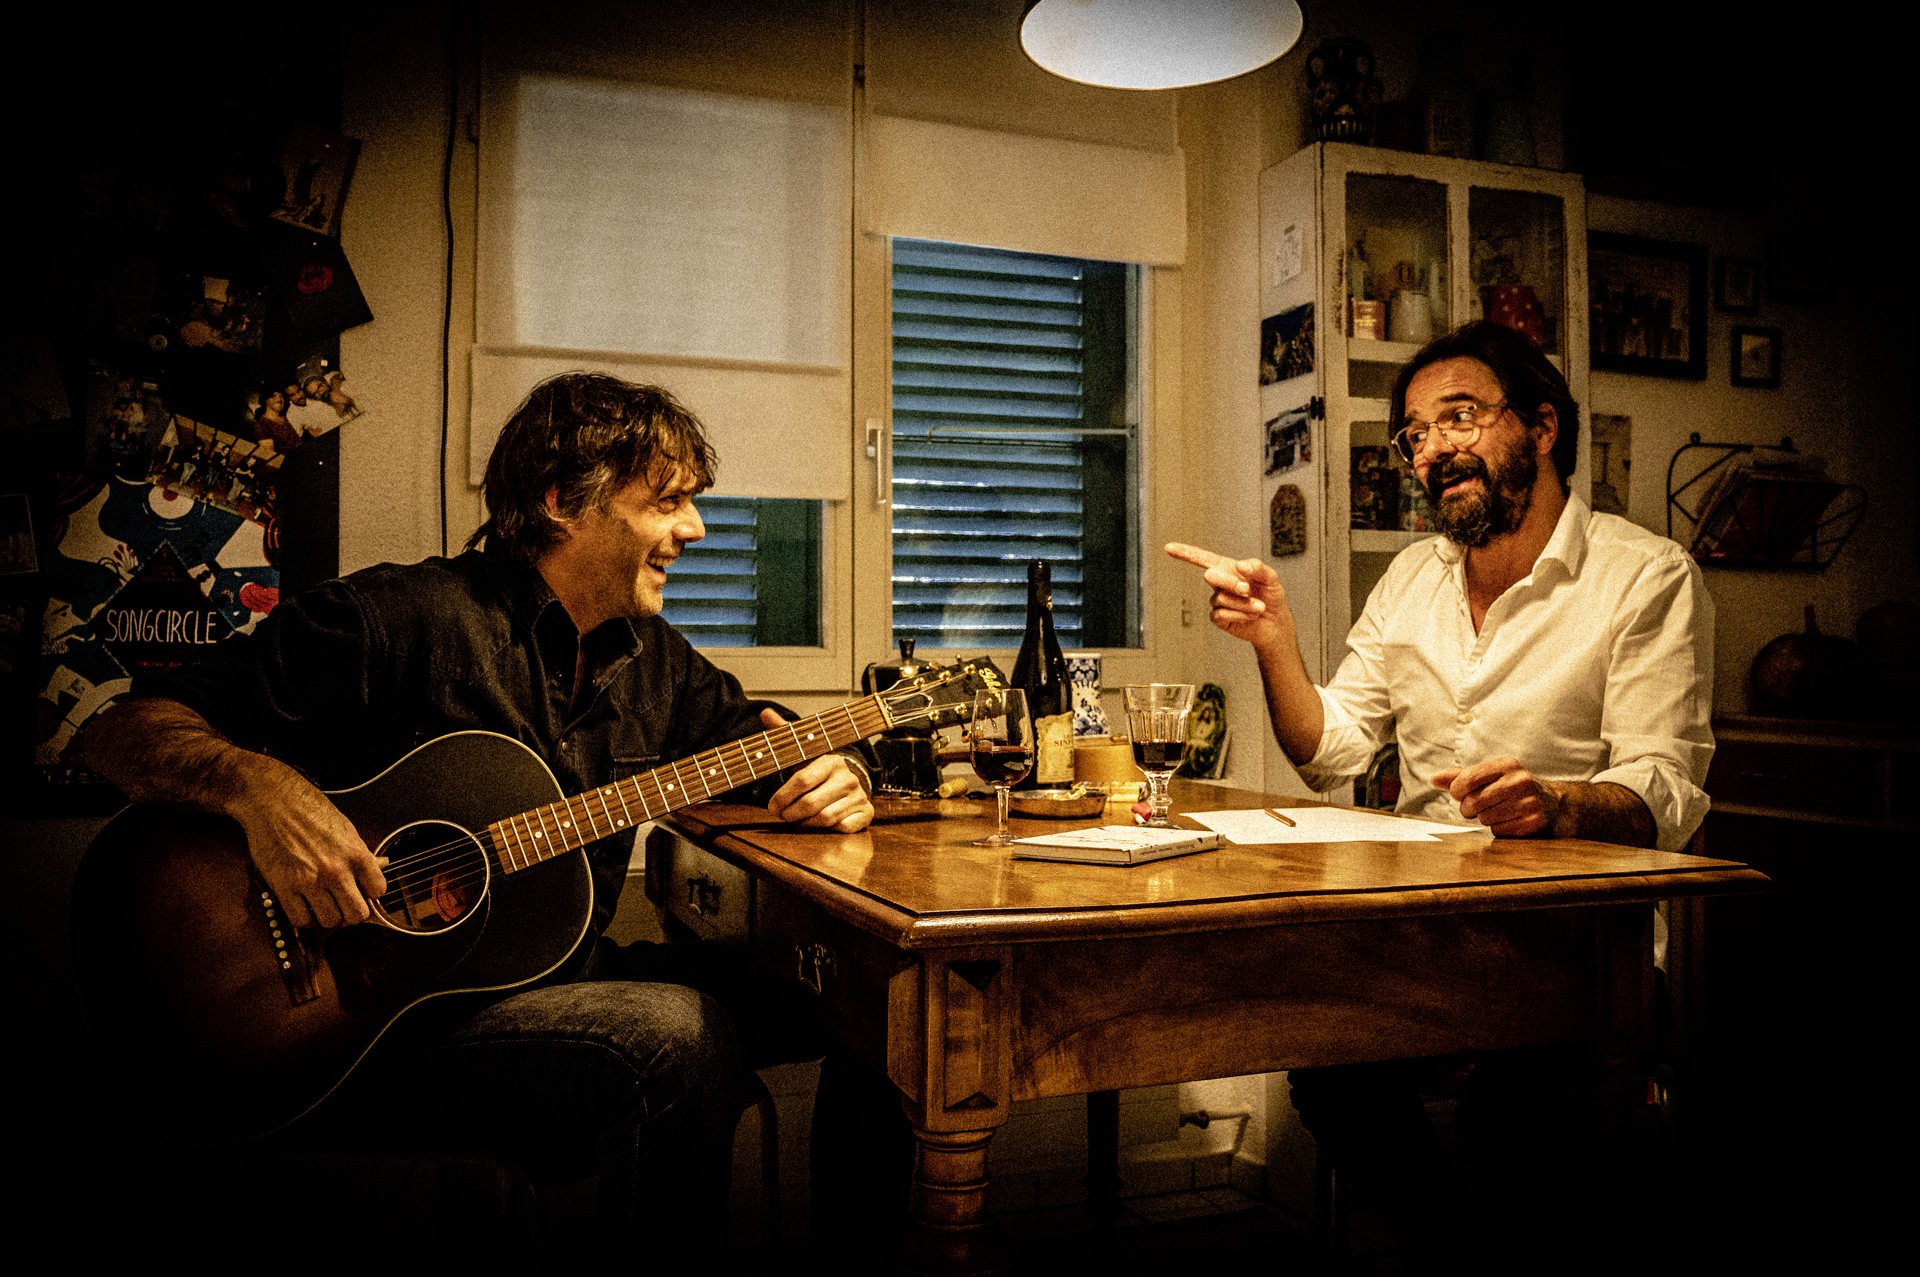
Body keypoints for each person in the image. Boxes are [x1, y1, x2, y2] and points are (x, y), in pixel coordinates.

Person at [84, 372, 896, 1258]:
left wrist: (843, 770)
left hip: (561, 979)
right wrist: (259, 789)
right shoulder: (398, 620)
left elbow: (775, 748)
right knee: (677, 1036)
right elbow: (119, 731)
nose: (695, 529)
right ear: (561, 501)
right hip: (374, 1029)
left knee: (878, 1004)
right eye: (667, 502)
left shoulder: (657, 663)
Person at [1168, 320, 1714, 1259]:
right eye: (1416, 434)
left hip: (1581, 946)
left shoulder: (1644, 576)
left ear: (1541, 426)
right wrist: (1275, 643)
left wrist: (1557, 805)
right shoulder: (1411, 579)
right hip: (1426, 931)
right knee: (1326, 1061)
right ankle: (1463, 1257)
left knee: (1515, 1111)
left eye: (1459, 417)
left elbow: (1663, 785)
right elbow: (1333, 750)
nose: (1434, 449)